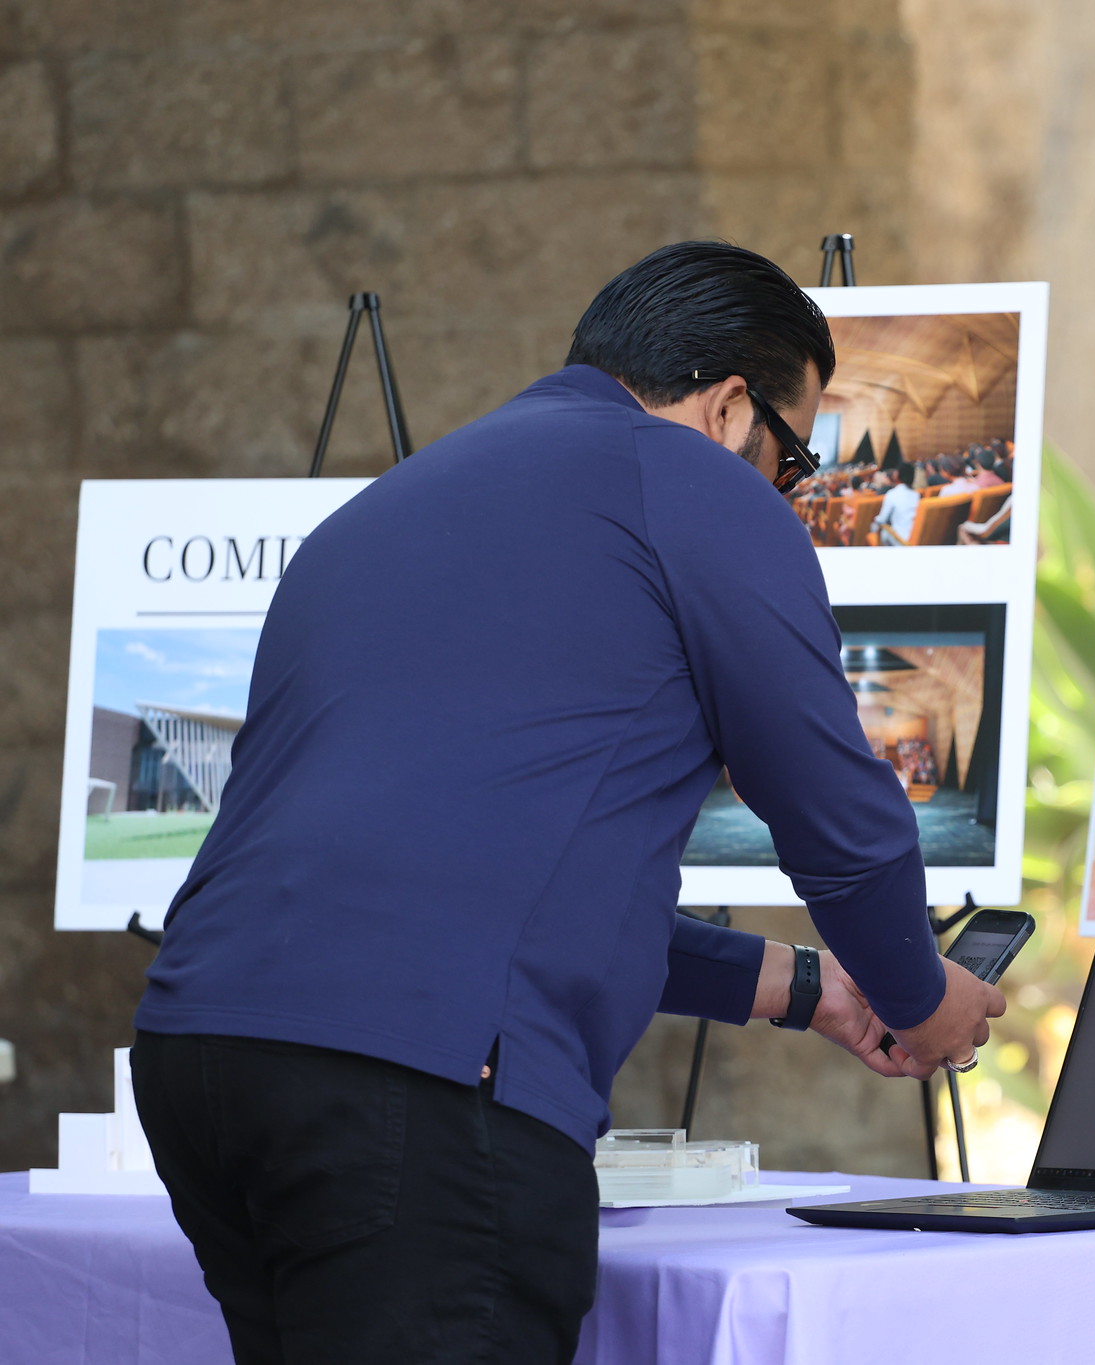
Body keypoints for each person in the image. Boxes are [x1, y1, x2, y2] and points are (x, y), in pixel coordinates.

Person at [128, 242, 1005, 1365]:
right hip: (418, 1080)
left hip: (204, 1052)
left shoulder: (388, 504)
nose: (791, 496)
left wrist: (802, 988)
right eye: (795, 462)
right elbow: (835, 805)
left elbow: (493, 864)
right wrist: (914, 990)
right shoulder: (692, 485)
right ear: (730, 409)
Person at [872, 464, 921, 545]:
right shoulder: (917, 495)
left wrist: (874, 520)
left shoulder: (892, 494)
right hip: (915, 540)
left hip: (901, 541)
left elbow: (882, 519)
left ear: (898, 476)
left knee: (881, 530)